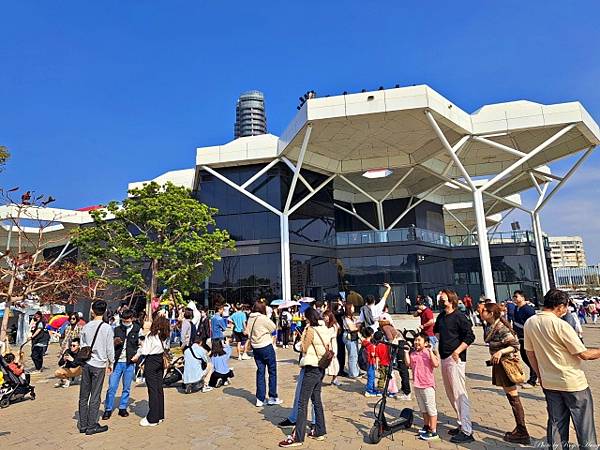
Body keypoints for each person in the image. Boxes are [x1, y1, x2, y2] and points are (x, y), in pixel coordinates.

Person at [524, 289, 600, 450]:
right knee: (584, 425)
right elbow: (584, 354)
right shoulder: (560, 325)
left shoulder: (530, 322)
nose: (565, 310)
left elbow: (530, 353)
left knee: (556, 423)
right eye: (565, 307)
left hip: (549, 382)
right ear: (559, 306)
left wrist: (539, 375)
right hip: (572, 382)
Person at [481, 303, 530, 444]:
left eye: (484, 310)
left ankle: (522, 431)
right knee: (511, 397)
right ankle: (520, 428)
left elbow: (514, 345)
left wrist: (500, 351)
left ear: (491, 313)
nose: (481, 311)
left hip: (506, 364)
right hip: (499, 364)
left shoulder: (501, 327)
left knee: (513, 397)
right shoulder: (490, 326)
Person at [279, 307, 328, 448]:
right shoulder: (324, 328)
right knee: (316, 400)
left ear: (308, 318)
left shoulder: (310, 330)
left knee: (302, 402)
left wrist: (301, 337)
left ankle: (298, 437)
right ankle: (320, 430)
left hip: (311, 367)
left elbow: (303, 348)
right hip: (321, 366)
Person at [433, 289, 475, 444]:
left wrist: (457, 351)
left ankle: (467, 430)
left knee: (459, 393)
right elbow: (436, 332)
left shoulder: (459, 316)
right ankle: (460, 423)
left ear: (450, 300)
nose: (440, 300)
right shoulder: (442, 316)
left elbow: (470, 336)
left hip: (455, 358)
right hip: (444, 357)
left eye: (442, 298)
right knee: (451, 393)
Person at [78, 300, 114, 435]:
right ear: (105, 311)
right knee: (95, 395)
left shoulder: (86, 327)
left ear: (92, 310)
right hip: (99, 365)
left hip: (87, 363)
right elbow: (110, 349)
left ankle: (83, 424)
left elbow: (82, 345)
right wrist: (111, 363)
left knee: (83, 395)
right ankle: (92, 425)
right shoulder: (107, 328)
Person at [102, 309, 141, 419]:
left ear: (132, 319)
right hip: (117, 362)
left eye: (127, 320)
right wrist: (115, 343)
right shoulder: (116, 329)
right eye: (124, 320)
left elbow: (141, 345)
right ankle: (108, 409)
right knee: (112, 387)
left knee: (126, 387)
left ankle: (123, 408)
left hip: (129, 362)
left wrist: (137, 356)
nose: (125, 322)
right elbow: (109, 345)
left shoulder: (137, 329)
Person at [132, 315, 170, 427]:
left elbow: (145, 350)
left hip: (151, 361)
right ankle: (160, 415)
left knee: (152, 389)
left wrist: (138, 352)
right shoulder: (165, 336)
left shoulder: (151, 335)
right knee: (159, 388)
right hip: (160, 360)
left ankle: (152, 418)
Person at [245, 301, 281, 407]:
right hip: (265, 346)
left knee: (260, 371)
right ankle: (272, 396)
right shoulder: (262, 318)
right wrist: (276, 316)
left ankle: (260, 399)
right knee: (272, 371)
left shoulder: (250, 317)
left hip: (256, 347)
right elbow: (274, 327)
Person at [405, 332, 440, 441]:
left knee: (431, 408)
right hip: (417, 385)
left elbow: (436, 364)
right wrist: (406, 353)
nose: (416, 342)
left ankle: (433, 431)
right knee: (423, 408)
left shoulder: (428, 352)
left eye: (419, 340)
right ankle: (426, 426)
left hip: (427, 385)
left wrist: (430, 351)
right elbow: (408, 365)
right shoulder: (413, 354)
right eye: (415, 340)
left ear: (425, 343)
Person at [512, 290, 537, 389]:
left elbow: (533, 323)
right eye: (513, 297)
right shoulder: (516, 308)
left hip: (529, 337)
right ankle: (537, 376)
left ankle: (532, 380)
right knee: (525, 357)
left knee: (529, 357)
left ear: (522, 297)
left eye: (516, 296)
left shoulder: (528, 309)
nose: (515, 298)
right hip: (521, 337)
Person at [342, 303, 361, 378]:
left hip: (354, 336)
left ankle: (356, 371)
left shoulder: (352, 317)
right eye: (352, 307)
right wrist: (358, 327)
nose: (353, 308)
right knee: (352, 355)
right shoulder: (346, 318)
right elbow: (352, 328)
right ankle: (353, 373)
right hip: (349, 336)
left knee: (355, 354)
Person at [322, 310, 340, 386]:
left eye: (326, 316)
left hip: (332, 346)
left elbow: (329, 335)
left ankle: (334, 379)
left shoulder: (334, 326)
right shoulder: (325, 324)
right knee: (324, 362)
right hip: (326, 346)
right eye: (324, 316)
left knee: (333, 362)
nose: (325, 318)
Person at [361, 328, 379, 397]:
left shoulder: (364, 342)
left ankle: (373, 389)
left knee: (371, 376)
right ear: (371, 334)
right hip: (371, 362)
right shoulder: (370, 345)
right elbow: (372, 354)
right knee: (371, 377)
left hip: (367, 362)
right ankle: (369, 391)